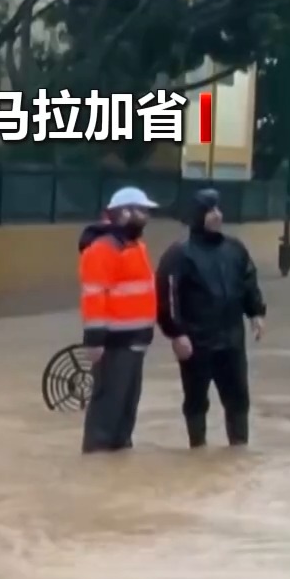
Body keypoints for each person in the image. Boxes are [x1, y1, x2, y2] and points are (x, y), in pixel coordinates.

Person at [155, 190, 266, 448]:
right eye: (210, 210)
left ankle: (239, 447)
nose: (218, 215)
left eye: (218, 209)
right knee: (195, 400)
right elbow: (167, 295)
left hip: (232, 339)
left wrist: (256, 312)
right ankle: (198, 449)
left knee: (238, 398)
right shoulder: (180, 254)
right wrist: (176, 333)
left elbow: (248, 280)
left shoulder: (234, 249)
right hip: (197, 341)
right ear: (197, 216)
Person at [78, 187, 160, 453]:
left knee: (126, 408)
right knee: (107, 408)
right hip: (114, 344)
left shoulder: (136, 247)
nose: (146, 217)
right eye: (142, 211)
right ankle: (98, 459)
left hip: (135, 342)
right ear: (124, 213)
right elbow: (94, 296)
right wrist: (95, 341)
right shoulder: (102, 250)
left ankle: (119, 457)